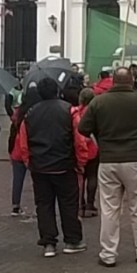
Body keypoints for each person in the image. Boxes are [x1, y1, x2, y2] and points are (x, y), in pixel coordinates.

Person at [79, 67, 137, 267]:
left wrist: (99, 138)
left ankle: (108, 254)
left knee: (109, 209)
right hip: (135, 159)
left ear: (113, 81)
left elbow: (83, 128)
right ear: (131, 81)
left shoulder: (99, 101)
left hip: (108, 161)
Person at [14, 77, 88, 257]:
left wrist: (29, 162)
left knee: (44, 205)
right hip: (65, 165)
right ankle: (72, 240)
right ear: (57, 90)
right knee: (69, 204)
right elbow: (79, 141)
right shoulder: (69, 111)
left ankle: (48, 243)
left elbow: (23, 143)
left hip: (39, 167)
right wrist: (81, 162)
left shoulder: (30, 114)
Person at [8, 83, 34, 217]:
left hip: (16, 151)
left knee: (17, 180)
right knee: (37, 180)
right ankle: (39, 205)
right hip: (32, 151)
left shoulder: (18, 112)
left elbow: (12, 133)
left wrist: (10, 151)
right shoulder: (36, 113)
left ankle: (15, 206)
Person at [73, 89, 99, 218]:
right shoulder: (95, 111)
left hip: (79, 148)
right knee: (92, 176)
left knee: (80, 177)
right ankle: (90, 204)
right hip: (93, 147)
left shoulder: (76, 112)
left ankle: (80, 203)